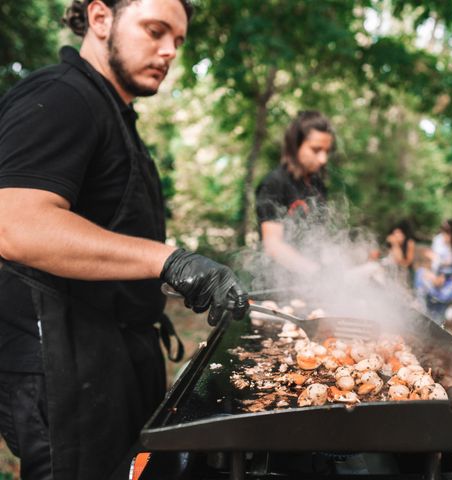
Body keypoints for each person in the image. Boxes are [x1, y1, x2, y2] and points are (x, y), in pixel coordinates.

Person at [0, 1, 249, 479]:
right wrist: (171, 261)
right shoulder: (62, 95)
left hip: (115, 357)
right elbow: (17, 224)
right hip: (64, 365)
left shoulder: (114, 114)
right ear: (99, 19)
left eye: (177, 40)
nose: (169, 50)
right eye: (155, 31)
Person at [255, 111, 334, 275]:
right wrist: (317, 273)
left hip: (310, 287)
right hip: (276, 287)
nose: (323, 159)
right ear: (295, 145)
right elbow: (273, 245)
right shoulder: (274, 183)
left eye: (326, 151)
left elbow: (320, 238)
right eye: (316, 149)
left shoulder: (318, 186)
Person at [384, 221, 416, 287]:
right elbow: (391, 259)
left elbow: (406, 263)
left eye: (398, 233)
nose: (396, 235)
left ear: (404, 234)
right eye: (394, 233)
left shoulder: (410, 243)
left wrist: (395, 244)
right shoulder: (392, 243)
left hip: (406, 272)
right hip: (392, 270)